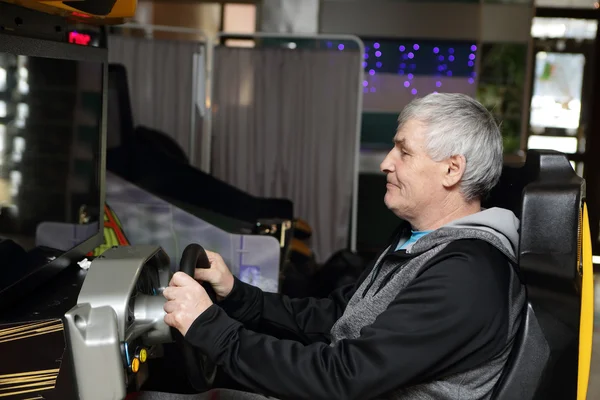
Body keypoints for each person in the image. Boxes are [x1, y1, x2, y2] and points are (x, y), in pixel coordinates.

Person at [160, 93, 525, 400]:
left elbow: (343, 378)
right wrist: (237, 296)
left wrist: (209, 327)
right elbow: (338, 316)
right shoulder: (420, 242)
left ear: (451, 170)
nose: (386, 163)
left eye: (404, 152)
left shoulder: (466, 275)